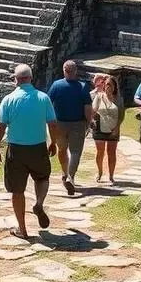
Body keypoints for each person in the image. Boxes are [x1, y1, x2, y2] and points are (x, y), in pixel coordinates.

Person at [0, 64, 58, 240]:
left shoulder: (9, 99)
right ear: (30, 78)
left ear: (16, 80)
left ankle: (22, 229)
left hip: (16, 149)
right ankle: (39, 203)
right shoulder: (43, 98)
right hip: (38, 146)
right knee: (42, 177)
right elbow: (52, 124)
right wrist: (53, 142)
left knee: (17, 190)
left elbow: (0, 126)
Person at [46, 60, 93, 195]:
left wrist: (49, 120)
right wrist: (89, 122)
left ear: (64, 71)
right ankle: (70, 177)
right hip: (77, 124)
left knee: (62, 149)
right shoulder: (83, 87)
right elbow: (87, 107)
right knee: (75, 151)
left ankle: (64, 173)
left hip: (59, 124)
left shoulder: (56, 85)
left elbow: (48, 103)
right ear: (75, 71)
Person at [90, 73, 124, 184]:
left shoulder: (119, 99)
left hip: (113, 128)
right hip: (99, 127)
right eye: (107, 84)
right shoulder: (99, 96)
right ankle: (99, 172)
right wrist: (92, 120)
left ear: (114, 86)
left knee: (111, 152)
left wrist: (117, 127)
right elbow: (93, 110)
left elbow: (121, 115)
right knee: (100, 152)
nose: (108, 86)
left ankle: (111, 176)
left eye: (110, 84)